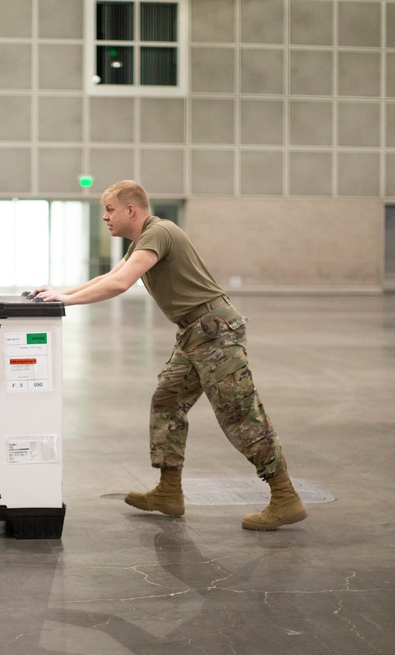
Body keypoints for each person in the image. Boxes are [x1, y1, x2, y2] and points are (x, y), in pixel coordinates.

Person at [31, 180, 307, 531]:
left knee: (239, 412)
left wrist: (65, 301)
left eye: (110, 210)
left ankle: (284, 496)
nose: (105, 217)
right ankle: (168, 490)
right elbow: (111, 275)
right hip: (194, 332)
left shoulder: (159, 232)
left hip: (214, 330)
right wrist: (57, 293)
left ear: (132, 210)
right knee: (167, 400)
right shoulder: (143, 240)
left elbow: (120, 284)